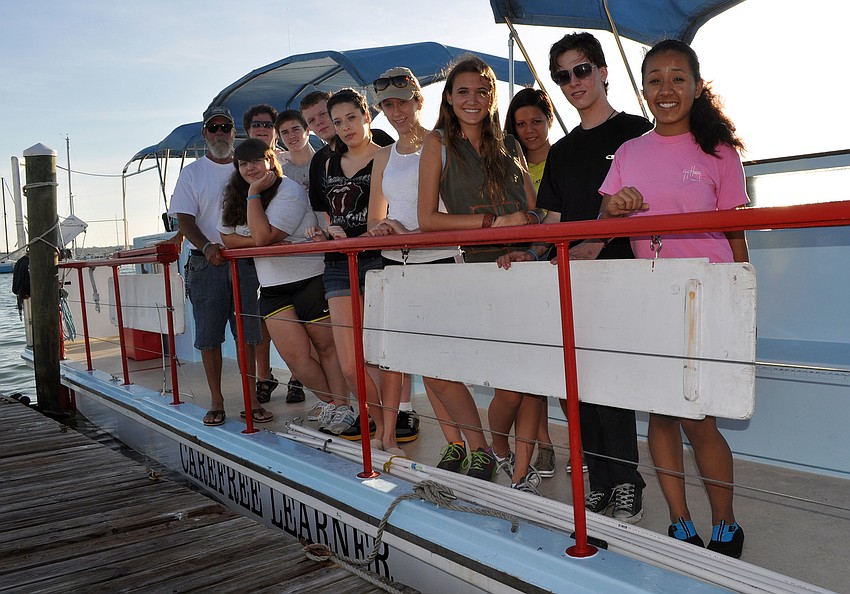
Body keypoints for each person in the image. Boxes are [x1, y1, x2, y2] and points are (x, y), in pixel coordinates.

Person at [598, 39, 748, 558]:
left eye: (678, 78)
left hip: (708, 299)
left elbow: (735, 236)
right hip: (654, 300)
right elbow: (597, 232)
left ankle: (725, 522)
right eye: (656, 79)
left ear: (696, 86)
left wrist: (742, 300)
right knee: (662, 415)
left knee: (698, 417)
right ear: (643, 89)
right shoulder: (628, 152)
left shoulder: (720, 154)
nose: (667, 89)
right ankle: (681, 522)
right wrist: (613, 210)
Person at [498, 32, 650, 520]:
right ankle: (601, 478)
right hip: (570, 278)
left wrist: (598, 243)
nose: (573, 81)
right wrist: (528, 251)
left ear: (604, 72)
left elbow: (643, 204)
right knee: (577, 384)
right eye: (563, 75)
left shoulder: (637, 132)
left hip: (622, 274)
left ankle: (626, 480)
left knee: (610, 381)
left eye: (581, 70)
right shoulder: (562, 153)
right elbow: (558, 222)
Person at [418, 55, 545, 490]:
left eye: (483, 90)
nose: (474, 99)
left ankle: (523, 470)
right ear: (449, 99)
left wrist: (531, 241)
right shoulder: (436, 144)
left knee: (527, 380)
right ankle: (495, 448)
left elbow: (533, 208)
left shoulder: (510, 143)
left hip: (527, 266)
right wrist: (495, 224)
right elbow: (428, 220)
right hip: (479, 273)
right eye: (463, 91)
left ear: (492, 96)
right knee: (499, 383)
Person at [218, 138, 351, 432]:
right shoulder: (235, 194)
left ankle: (343, 408)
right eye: (243, 164)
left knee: (326, 349)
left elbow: (264, 238)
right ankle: (336, 405)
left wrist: (254, 199)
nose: (250, 168)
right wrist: (256, 226)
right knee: (296, 359)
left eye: (256, 161)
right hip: (272, 285)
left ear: (270, 160)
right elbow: (227, 238)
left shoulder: (288, 189)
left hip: (310, 278)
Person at [365, 67, 462, 458]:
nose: (395, 111)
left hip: (438, 262)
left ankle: (458, 444)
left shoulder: (443, 144)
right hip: (395, 266)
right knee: (392, 358)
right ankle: (386, 437)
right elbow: (375, 216)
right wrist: (384, 225)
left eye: (402, 102)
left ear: (419, 101)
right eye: (387, 105)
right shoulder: (383, 155)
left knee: (439, 367)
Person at [167, 106, 271, 427]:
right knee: (209, 337)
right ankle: (216, 400)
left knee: (248, 334)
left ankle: (251, 400)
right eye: (213, 128)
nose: (220, 133)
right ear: (204, 134)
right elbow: (183, 218)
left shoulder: (247, 170)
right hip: (205, 264)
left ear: (233, 132)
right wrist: (207, 245)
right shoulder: (192, 173)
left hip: (244, 263)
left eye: (225, 127)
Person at [306, 88, 384, 442]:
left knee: (380, 357)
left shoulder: (385, 156)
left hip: (378, 261)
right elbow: (327, 215)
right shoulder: (323, 163)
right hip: (338, 262)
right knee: (351, 363)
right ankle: (377, 418)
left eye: (351, 118)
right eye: (337, 122)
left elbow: (386, 216)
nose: (345, 127)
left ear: (366, 116)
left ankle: (385, 428)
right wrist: (324, 232)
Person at [503, 87, 559, 479]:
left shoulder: (566, 157)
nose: (529, 130)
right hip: (520, 266)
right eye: (521, 124)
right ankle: (543, 444)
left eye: (536, 121)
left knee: (552, 363)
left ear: (549, 121)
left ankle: (553, 445)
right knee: (530, 364)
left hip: (557, 263)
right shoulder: (506, 161)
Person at [242, 103, 307, 406]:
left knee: (303, 321)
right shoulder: (244, 167)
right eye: (256, 124)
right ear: (248, 130)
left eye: (268, 125)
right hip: (260, 256)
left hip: (296, 257)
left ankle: (298, 377)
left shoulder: (290, 163)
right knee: (260, 320)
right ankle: (263, 375)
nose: (262, 129)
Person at [275, 109, 314, 193]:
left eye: (295, 129)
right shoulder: (282, 175)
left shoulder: (326, 163)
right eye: (285, 132)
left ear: (307, 131)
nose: (291, 136)